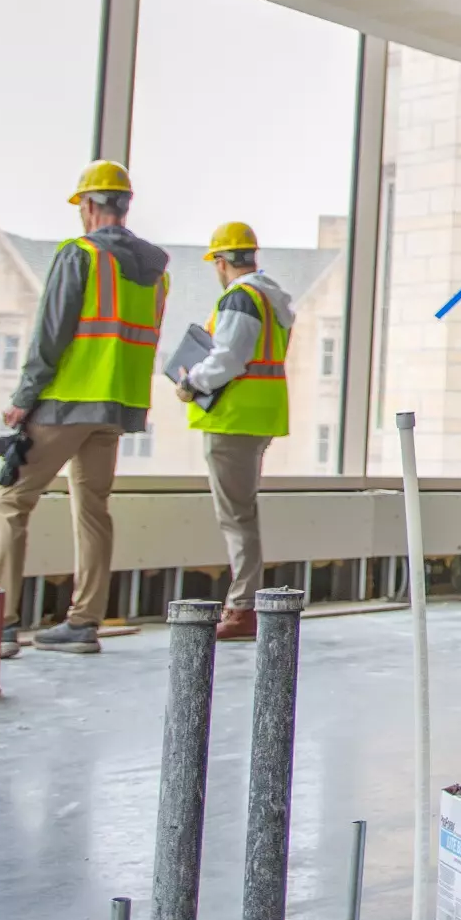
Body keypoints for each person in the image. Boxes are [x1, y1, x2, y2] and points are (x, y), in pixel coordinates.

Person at [0, 161, 169, 658]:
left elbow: (52, 334)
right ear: (124, 205)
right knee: (92, 510)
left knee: (7, 502)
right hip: (117, 406)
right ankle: (84, 622)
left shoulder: (80, 254)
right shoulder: (155, 268)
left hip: (67, 402)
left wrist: (25, 399)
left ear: (89, 206)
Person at [173, 222, 294, 643]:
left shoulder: (241, 298)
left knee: (236, 517)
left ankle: (242, 608)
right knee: (242, 512)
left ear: (222, 262)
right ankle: (244, 603)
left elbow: (228, 358)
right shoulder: (272, 297)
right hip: (258, 415)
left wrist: (191, 383)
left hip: (234, 419)